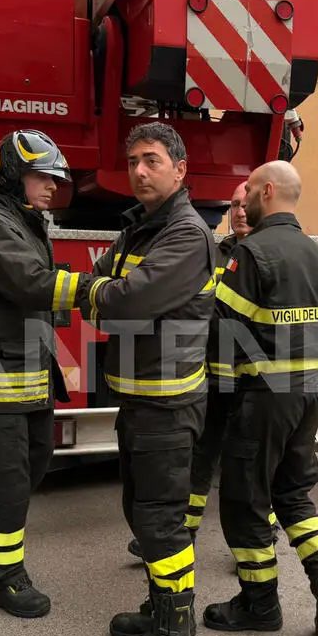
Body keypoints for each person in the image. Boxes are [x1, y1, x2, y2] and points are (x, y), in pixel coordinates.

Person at [78, 122, 216, 636]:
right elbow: (103, 287)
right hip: (140, 398)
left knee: (161, 524)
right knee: (143, 515)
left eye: (152, 160)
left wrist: (102, 297)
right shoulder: (141, 230)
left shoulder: (186, 234)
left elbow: (125, 302)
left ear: (180, 170)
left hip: (167, 403)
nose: (139, 171)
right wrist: (103, 296)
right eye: (133, 160)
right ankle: (166, 606)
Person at [0, 129, 92, 619]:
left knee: (35, 459)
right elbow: (32, 284)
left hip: (22, 371)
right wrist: (95, 289)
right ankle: (3, 578)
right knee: (9, 478)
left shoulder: (22, 222)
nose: (53, 186)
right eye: (42, 177)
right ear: (14, 175)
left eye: (56, 178)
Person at [203, 160, 318, 635]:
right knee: (292, 494)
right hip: (308, 395)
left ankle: (260, 604)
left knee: (245, 502)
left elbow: (223, 333)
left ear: (267, 192)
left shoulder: (249, 255)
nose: (241, 200)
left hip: (262, 399)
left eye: (247, 190)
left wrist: (222, 400)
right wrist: (308, 372)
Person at [124, 180, 255, 562]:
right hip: (211, 379)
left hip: (253, 384)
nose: (240, 212)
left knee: (248, 467)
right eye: (234, 205)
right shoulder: (215, 252)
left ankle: (257, 547)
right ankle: (183, 534)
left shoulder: (270, 254)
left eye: (246, 204)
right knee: (198, 463)